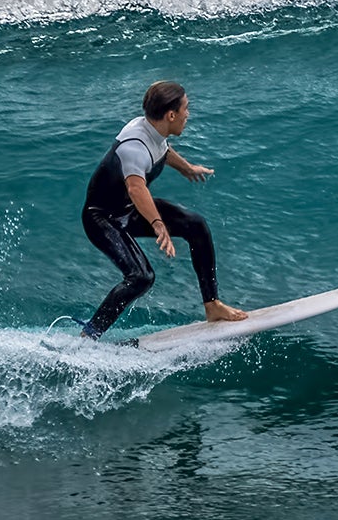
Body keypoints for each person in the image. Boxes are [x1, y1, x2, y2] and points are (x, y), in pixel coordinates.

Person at [78, 80, 248, 339]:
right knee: (140, 277)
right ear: (171, 115)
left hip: (126, 208)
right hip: (101, 218)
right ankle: (89, 335)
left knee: (195, 225)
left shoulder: (153, 131)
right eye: (186, 109)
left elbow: (162, 151)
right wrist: (159, 225)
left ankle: (213, 306)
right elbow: (136, 188)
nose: (188, 115)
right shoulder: (134, 146)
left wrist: (187, 168)